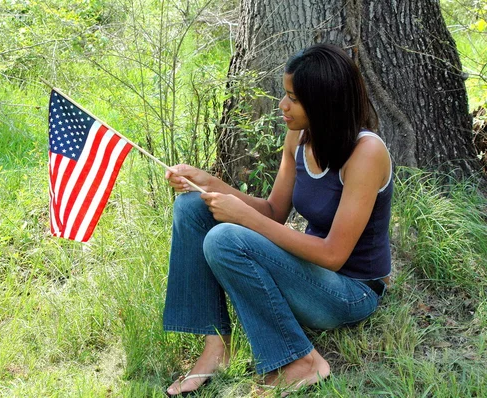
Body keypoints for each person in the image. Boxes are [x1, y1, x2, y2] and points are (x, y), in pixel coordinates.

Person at [163, 43, 393, 397]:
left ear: (325, 103)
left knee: (224, 239)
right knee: (191, 206)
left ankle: (301, 361)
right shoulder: (299, 137)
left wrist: (242, 219)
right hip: (307, 276)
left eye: (294, 99)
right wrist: (211, 183)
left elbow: (334, 256)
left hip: (350, 292)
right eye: (285, 95)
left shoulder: (366, 153)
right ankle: (216, 347)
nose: (283, 106)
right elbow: (273, 212)